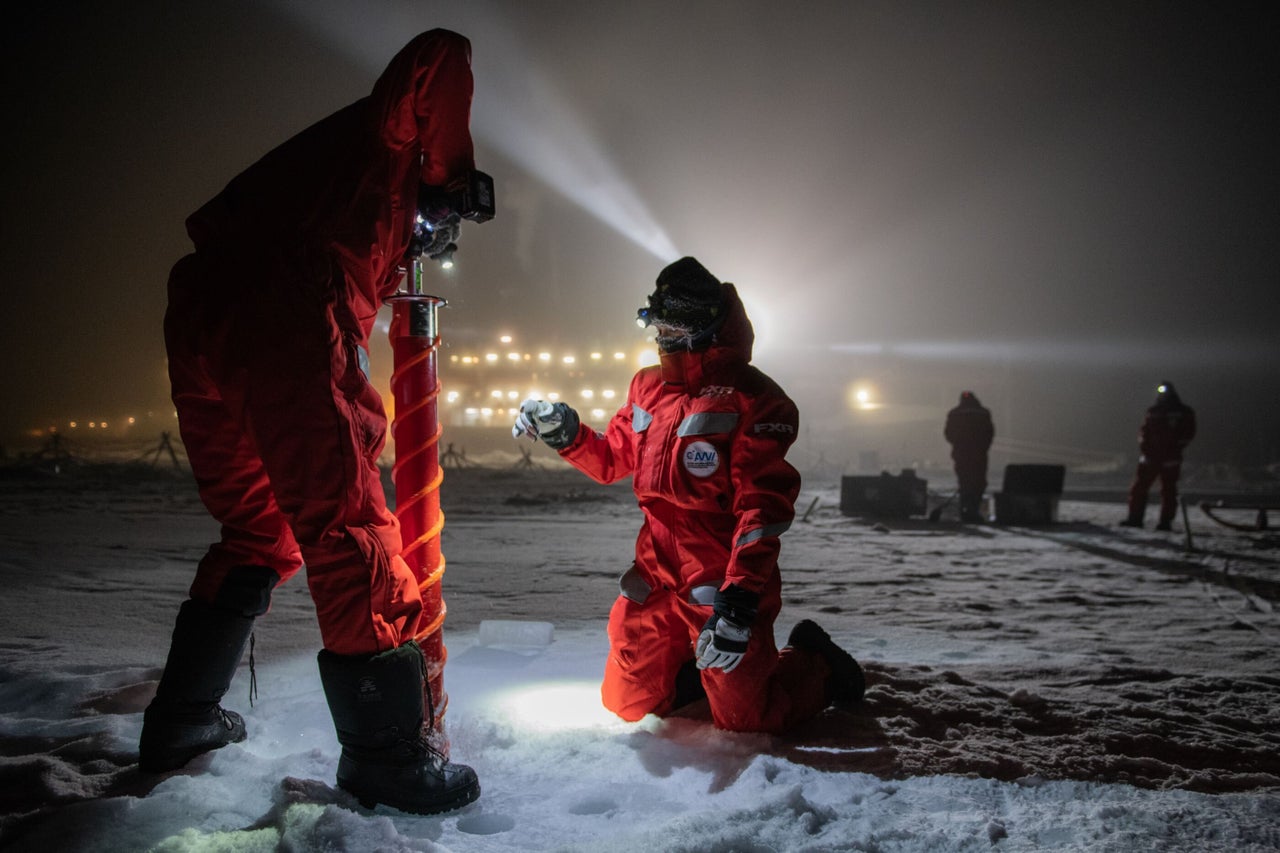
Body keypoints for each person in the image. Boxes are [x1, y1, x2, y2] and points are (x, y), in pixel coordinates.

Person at [139, 30, 490, 816]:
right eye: (436, 227)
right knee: (346, 519)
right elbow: (442, 53)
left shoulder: (320, 182)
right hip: (286, 307)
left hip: (203, 307)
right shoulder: (388, 147)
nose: (428, 241)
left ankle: (183, 717)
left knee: (260, 526)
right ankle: (386, 758)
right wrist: (449, 175)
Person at [512, 257, 864, 733]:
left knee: (749, 721)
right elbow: (613, 458)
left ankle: (815, 663)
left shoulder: (755, 399)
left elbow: (760, 511)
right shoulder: (647, 387)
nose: (661, 333)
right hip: (655, 574)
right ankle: (694, 676)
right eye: (658, 320)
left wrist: (738, 601)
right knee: (626, 705)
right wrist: (566, 431)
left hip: (718, 580)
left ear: (706, 324)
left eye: (673, 322)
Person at [1121, 381, 1196, 531]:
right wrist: (1145, 448)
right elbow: (1144, 431)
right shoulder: (1153, 411)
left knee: (1168, 490)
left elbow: (1188, 432)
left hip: (1170, 458)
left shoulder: (1183, 412)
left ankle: (1165, 522)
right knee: (1139, 488)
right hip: (1150, 457)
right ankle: (1135, 518)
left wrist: (1175, 448)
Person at [944, 391, 995, 523]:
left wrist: (958, 445)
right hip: (978, 454)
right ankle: (973, 510)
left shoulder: (954, 413)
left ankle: (965, 509)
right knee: (978, 482)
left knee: (964, 481)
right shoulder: (983, 413)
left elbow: (948, 434)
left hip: (961, 453)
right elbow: (989, 433)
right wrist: (983, 447)